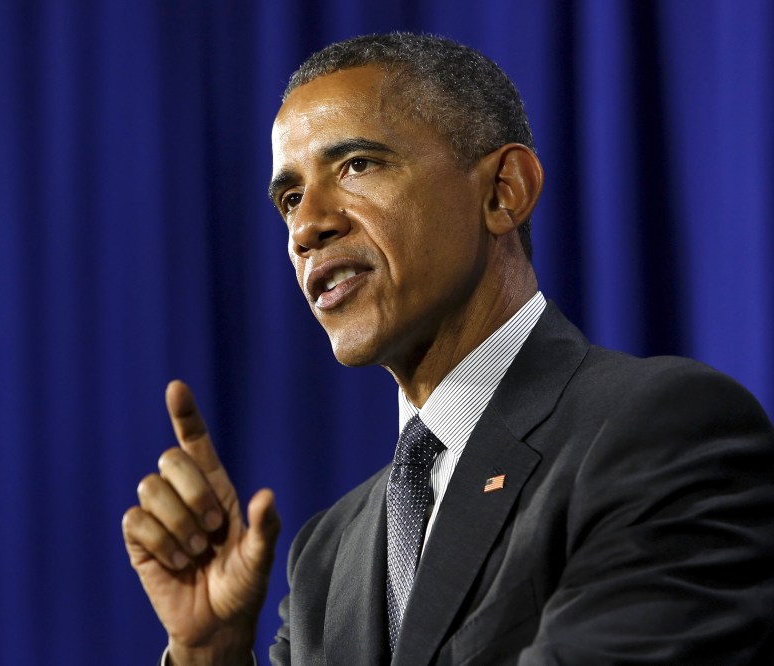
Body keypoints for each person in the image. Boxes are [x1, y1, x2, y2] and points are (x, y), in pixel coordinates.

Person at [121, 33, 774, 665]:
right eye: (290, 198)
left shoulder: (659, 430)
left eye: (357, 165)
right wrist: (211, 655)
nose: (306, 227)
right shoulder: (328, 556)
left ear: (503, 191)